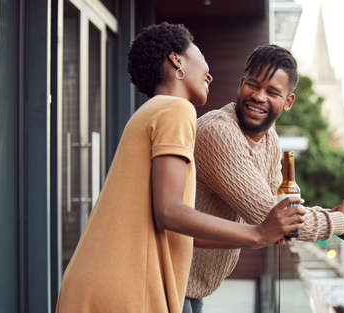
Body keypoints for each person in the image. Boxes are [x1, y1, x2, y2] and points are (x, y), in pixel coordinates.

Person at [54, 23, 305, 313]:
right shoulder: (176, 110)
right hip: (124, 288)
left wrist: (255, 235)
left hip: (105, 280)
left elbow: (176, 226)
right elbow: (170, 212)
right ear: (177, 60)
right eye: (198, 52)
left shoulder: (155, 111)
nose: (210, 74)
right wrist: (258, 234)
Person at [183, 44, 344, 313]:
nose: (259, 97)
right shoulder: (218, 133)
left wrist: (335, 213)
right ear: (240, 85)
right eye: (253, 85)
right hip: (169, 279)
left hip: (192, 287)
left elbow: (282, 207)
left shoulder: (270, 139)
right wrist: (341, 221)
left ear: (287, 102)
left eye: (272, 92)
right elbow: (269, 217)